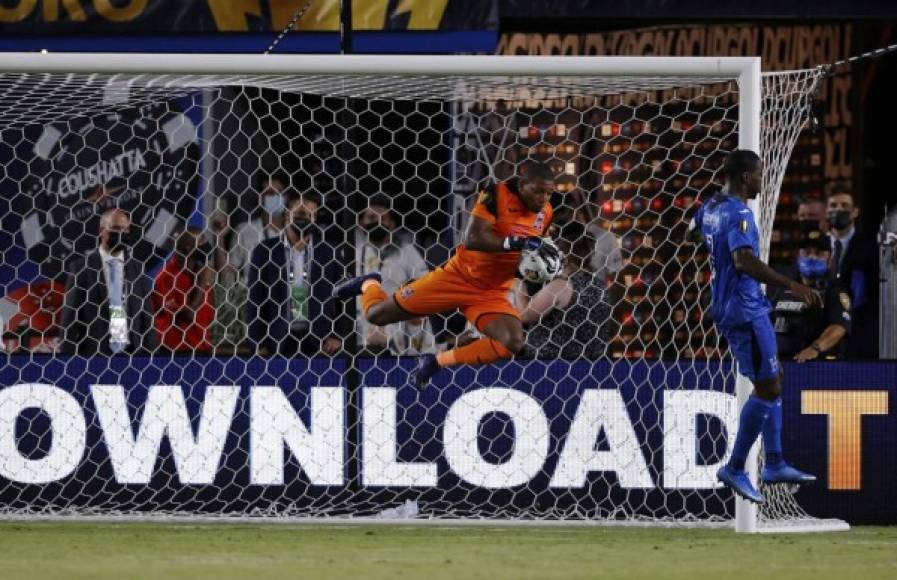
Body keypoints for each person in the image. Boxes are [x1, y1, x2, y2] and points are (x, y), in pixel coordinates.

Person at [333, 161, 556, 388]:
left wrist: (547, 262)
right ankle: (369, 283)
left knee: (512, 342)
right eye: (538, 190)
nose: (543, 198)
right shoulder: (497, 194)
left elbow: (537, 248)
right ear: (521, 183)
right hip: (457, 278)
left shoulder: (546, 213)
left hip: (491, 292)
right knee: (376, 314)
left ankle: (436, 361)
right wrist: (517, 242)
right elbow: (473, 239)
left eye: (549, 193)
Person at [689, 150, 818, 504]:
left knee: (772, 381)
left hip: (733, 304)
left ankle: (774, 462)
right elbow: (743, 260)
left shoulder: (712, 206)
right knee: (768, 387)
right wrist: (791, 285)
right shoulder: (740, 211)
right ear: (746, 177)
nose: (763, 181)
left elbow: (693, 228)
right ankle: (734, 466)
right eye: (760, 175)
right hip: (745, 309)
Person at [246, 193, 348, 357]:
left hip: (320, 341)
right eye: (301, 213)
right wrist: (258, 342)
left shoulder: (330, 252)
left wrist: (337, 336)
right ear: (287, 213)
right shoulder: (265, 251)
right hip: (277, 340)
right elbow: (254, 299)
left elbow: (345, 298)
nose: (306, 218)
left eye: (311, 214)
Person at [61, 208, 158, 355]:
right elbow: (69, 321)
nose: (122, 233)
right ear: (101, 230)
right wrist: (67, 361)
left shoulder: (137, 268)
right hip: (95, 357)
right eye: (116, 228)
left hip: (134, 356)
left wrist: (151, 357)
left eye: (126, 229)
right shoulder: (81, 268)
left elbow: (147, 317)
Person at [515, 221, 610, 359]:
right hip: (591, 364)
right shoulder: (599, 286)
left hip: (552, 367)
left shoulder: (561, 285)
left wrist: (518, 284)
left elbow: (525, 315)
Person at [354, 196, 434, 355]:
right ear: (361, 222)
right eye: (371, 217)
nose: (377, 222)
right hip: (360, 328)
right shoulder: (353, 253)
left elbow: (424, 284)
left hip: (399, 327)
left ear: (392, 224)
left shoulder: (407, 251)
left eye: (382, 218)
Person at [771, 230, 851, 361]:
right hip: (779, 362)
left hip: (816, 364)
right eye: (807, 253)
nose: (812, 257)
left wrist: (815, 348)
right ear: (797, 257)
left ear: (830, 259)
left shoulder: (835, 291)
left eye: (819, 254)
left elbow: (839, 327)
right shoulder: (781, 288)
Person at [825, 184, 879, 359]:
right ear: (826, 211)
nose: (838, 210)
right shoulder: (815, 247)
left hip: (860, 332)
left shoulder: (872, 247)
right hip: (823, 329)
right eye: (833, 206)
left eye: (845, 206)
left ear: (855, 211)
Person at [152, 227, 215, 354]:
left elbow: (210, 313)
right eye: (201, 241)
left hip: (203, 348)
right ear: (188, 248)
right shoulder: (166, 277)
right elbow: (187, 315)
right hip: (177, 351)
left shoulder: (200, 271)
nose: (206, 245)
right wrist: (202, 283)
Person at [230, 173, 288, 277]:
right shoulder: (243, 230)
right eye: (270, 193)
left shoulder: (295, 232)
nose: (275, 197)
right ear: (260, 198)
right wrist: (219, 238)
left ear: (286, 197)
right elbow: (230, 270)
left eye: (279, 192)